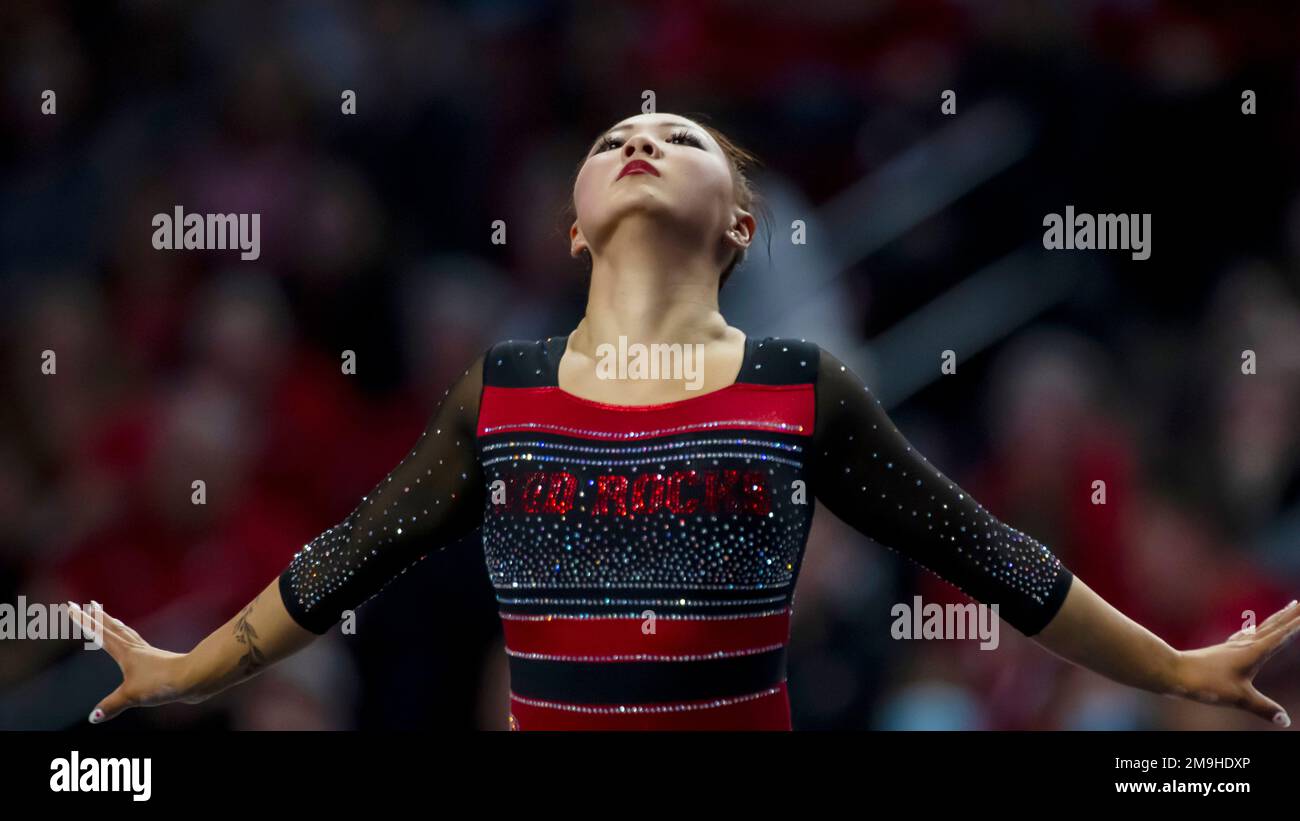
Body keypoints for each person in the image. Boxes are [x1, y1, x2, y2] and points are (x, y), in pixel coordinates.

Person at [70, 112, 1300, 730]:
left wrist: (1173, 663)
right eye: (620, 136)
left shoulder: (801, 386)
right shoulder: (498, 392)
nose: (645, 137)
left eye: (680, 138)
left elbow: (995, 557)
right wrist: (187, 667)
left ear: (739, 232)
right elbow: (339, 563)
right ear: (571, 225)